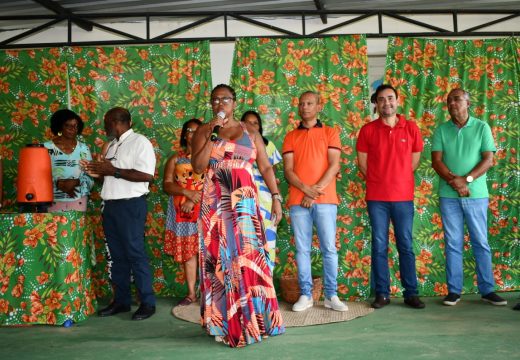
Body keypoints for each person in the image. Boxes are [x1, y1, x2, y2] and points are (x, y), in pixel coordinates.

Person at [191, 84, 285, 347]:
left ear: (235, 102)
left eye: (225, 99)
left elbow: (265, 167)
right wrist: (210, 135)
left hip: (244, 206)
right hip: (217, 205)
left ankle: (256, 319)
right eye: (215, 100)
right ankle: (223, 322)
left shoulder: (250, 131)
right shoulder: (204, 131)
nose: (220, 104)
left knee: (249, 257)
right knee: (220, 260)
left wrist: (276, 198)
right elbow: (198, 166)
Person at [431, 88, 507, 307]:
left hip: (477, 195)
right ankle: (454, 291)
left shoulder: (482, 127)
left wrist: (467, 180)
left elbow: (488, 159)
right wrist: (455, 182)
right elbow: (436, 161)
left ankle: (487, 290)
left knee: (480, 242)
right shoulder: (442, 130)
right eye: (449, 101)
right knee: (452, 243)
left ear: (468, 102)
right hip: (449, 195)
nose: (452, 103)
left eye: (457, 99)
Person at [82, 107, 157, 320]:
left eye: (105, 122)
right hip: (112, 206)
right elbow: (109, 177)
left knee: (135, 254)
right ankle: (122, 301)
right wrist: (95, 171)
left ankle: (147, 303)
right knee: (117, 257)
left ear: (115, 121)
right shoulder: (113, 145)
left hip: (131, 205)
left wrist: (112, 170)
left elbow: (147, 176)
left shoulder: (139, 142)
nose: (104, 127)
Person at [356, 84, 425, 310]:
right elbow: (363, 164)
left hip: (403, 197)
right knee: (379, 245)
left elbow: (414, 162)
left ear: (397, 100)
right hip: (377, 197)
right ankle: (382, 294)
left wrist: (399, 179)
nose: (387, 103)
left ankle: (411, 293)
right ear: (376, 104)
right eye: (381, 99)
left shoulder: (411, 128)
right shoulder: (367, 130)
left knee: (405, 244)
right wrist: (380, 180)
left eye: (390, 98)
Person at [282, 91, 348, 313]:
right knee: (302, 249)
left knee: (329, 248)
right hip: (298, 200)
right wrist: (304, 190)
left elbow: (334, 166)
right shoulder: (290, 136)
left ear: (319, 106)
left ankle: (331, 295)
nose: (305, 107)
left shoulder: (331, 133)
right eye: (301, 103)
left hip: (325, 200)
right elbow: (288, 171)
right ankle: (306, 295)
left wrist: (314, 192)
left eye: (310, 103)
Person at [163, 118, 204, 307]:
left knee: (207, 251)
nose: (193, 134)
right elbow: (167, 184)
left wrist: (193, 198)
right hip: (181, 213)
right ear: (184, 135)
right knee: (189, 253)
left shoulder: (210, 158)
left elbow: (215, 183)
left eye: (198, 131)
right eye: (189, 130)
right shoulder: (175, 158)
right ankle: (191, 293)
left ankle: (209, 293)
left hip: (205, 210)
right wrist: (186, 192)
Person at [240, 110, 282, 272]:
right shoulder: (237, 144)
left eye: (255, 123)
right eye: (247, 123)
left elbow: (272, 171)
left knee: (267, 241)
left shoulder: (268, 145)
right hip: (243, 197)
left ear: (260, 126)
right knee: (246, 242)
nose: (251, 126)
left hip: (266, 198)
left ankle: (266, 287)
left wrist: (276, 196)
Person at [44, 109, 93, 212]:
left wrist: (76, 182)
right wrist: (58, 184)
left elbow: (90, 177)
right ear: (59, 126)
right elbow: (38, 176)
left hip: (78, 200)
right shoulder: (46, 148)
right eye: (68, 125)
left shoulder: (84, 149)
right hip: (51, 200)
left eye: (76, 126)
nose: (73, 129)